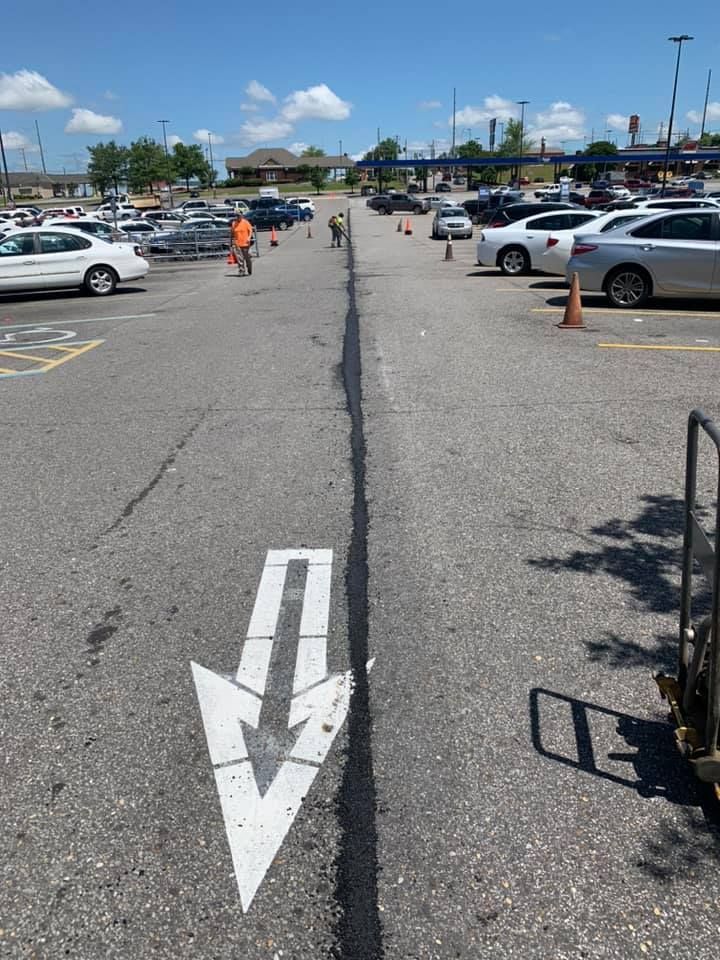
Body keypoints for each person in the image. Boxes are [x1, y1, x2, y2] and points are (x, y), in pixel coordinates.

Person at [230, 211, 254, 275]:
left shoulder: (246, 222)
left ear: (242, 216)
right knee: (240, 258)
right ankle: (241, 271)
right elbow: (232, 234)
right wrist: (232, 243)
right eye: (236, 216)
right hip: (237, 244)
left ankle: (249, 268)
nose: (237, 217)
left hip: (246, 243)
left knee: (247, 258)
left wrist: (249, 237)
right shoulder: (234, 223)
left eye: (239, 215)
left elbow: (250, 230)